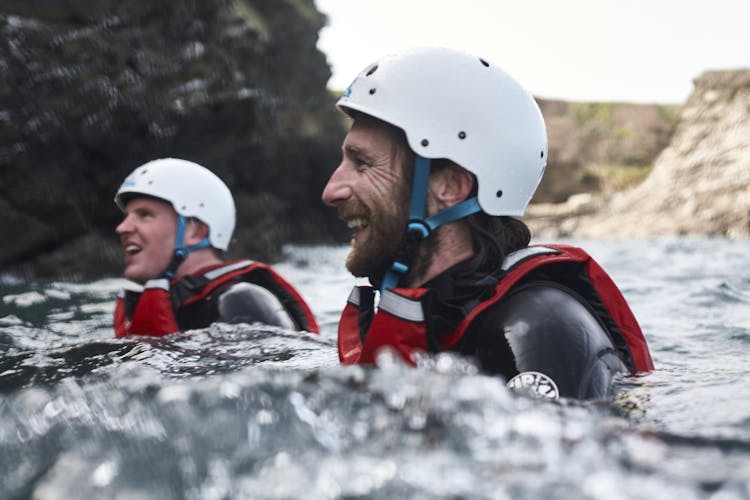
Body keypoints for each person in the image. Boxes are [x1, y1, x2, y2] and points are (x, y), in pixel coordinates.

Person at [321, 47, 653, 400]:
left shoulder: (538, 328)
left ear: (449, 186)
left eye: (362, 164)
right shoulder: (436, 319)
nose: (331, 191)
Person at [113, 158, 319, 337]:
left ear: (197, 232)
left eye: (144, 215)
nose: (122, 227)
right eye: (126, 217)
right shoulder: (180, 308)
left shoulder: (242, 301)